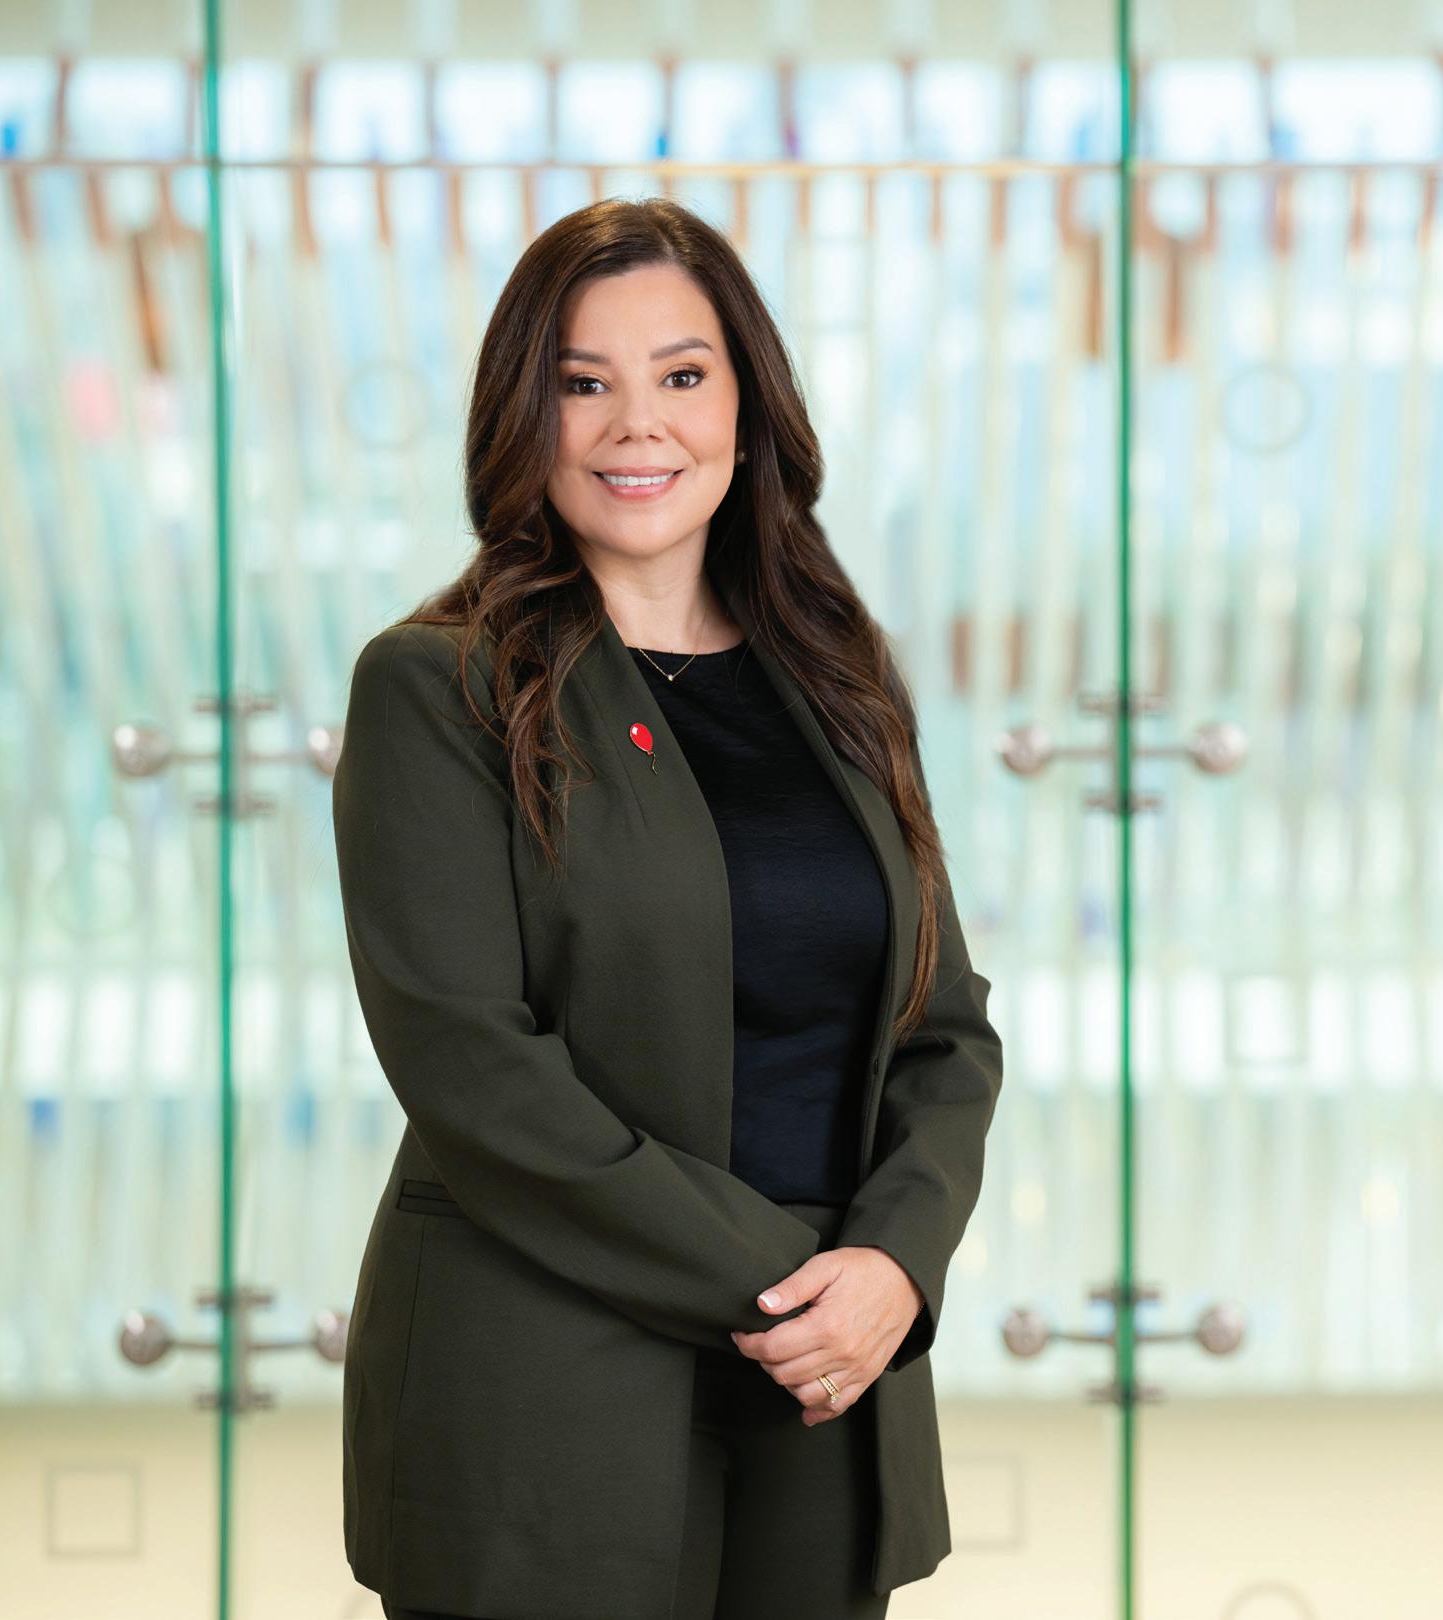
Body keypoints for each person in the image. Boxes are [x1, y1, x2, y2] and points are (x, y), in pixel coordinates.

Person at [333, 195, 1003, 1620]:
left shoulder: (839, 676)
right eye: (584, 384)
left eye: (682, 375)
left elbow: (944, 1027)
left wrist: (896, 1264)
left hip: (820, 1396)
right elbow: (474, 1071)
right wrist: (805, 1288)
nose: (638, 424)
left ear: (747, 412)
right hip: (549, 1397)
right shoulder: (438, 687)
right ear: (525, 421)